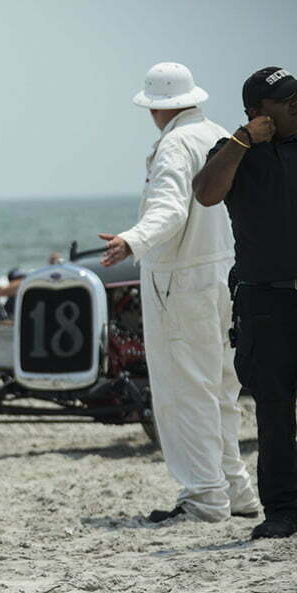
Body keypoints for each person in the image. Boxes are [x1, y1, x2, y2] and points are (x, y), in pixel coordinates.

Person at [99, 61, 259, 526]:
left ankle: (206, 496)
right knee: (222, 388)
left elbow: (169, 209)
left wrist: (133, 239)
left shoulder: (174, 146)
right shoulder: (219, 136)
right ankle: (236, 490)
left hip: (182, 278)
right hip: (227, 272)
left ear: (155, 108)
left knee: (184, 390)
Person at [193, 65, 297, 538]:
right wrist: (242, 140)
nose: (295, 102)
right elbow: (207, 193)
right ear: (259, 113)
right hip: (265, 304)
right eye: (285, 98)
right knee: (274, 410)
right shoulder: (234, 154)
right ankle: (282, 511)